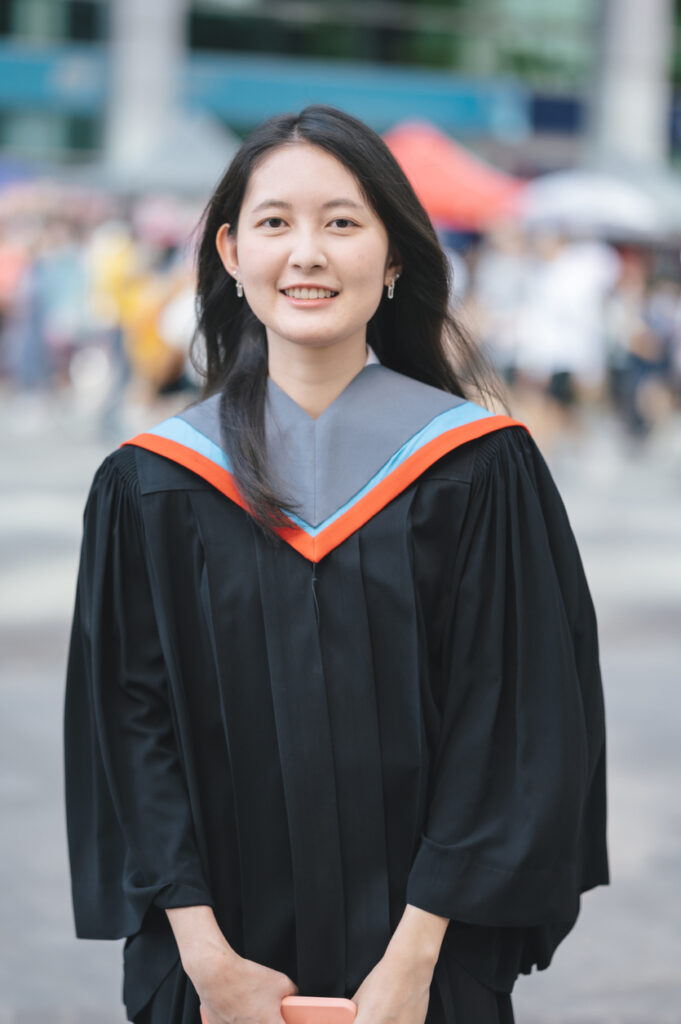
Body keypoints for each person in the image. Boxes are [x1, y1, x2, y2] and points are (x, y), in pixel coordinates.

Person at [64, 106, 608, 1024]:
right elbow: (129, 728)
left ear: (394, 258)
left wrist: (416, 964)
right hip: (212, 980)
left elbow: (510, 719)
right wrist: (205, 961)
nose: (306, 253)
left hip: (428, 978)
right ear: (231, 254)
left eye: (342, 222)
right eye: (275, 223)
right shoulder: (152, 484)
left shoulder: (476, 468)